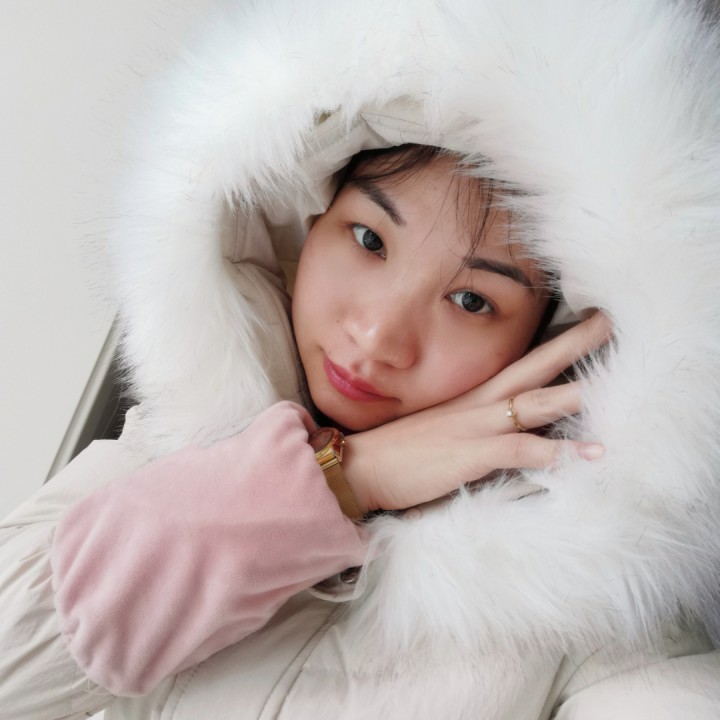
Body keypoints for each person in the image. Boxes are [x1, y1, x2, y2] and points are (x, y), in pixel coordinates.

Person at [2, 1, 720, 718]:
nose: (378, 336)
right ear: (305, 227)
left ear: (552, 341)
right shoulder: (153, 463)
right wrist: (341, 479)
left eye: (471, 301)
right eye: (370, 239)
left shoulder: (601, 607)